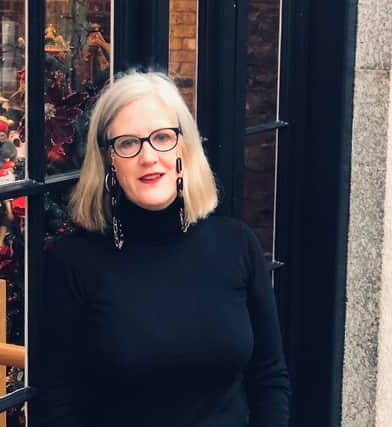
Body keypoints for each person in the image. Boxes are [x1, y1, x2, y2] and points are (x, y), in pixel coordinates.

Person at [36, 71, 290, 427]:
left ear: (184, 146)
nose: (149, 156)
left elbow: (269, 376)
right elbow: (58, 401)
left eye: (162, 137)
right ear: (109, 161)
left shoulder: (237, 245)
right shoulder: (76, 261)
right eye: (127, 143)